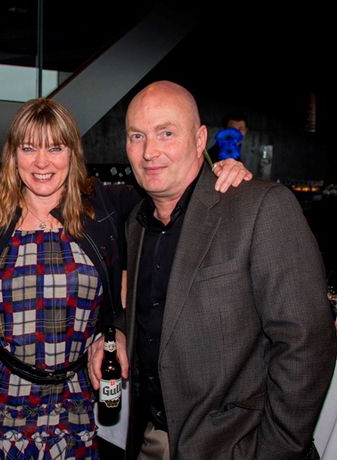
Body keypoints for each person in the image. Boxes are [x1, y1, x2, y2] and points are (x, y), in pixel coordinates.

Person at [0, 98, 251, 459]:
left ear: (73, 152)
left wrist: (218, 169)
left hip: (71, 403)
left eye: (55, 148)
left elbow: (176, 189)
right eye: (29, 148)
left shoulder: (106, 205)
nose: (41, 162)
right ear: (13, 154)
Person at [114, 80, 337, 459]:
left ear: (200, 139)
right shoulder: (137, 222)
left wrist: (273, 451)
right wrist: (120, 331)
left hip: (236, 445)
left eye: (166, 133)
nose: (149, 151)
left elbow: (307, 343)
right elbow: (160, 310)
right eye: (137, 136)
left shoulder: (260, 207)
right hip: (152, 439)